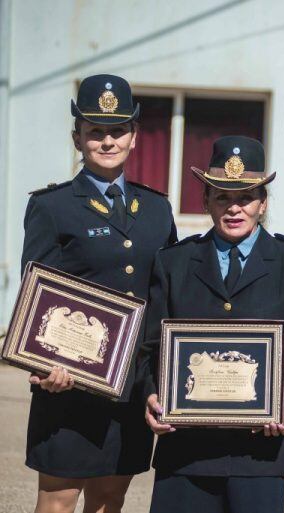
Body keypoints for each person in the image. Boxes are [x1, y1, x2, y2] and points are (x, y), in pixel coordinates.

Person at [20, 74, 177, 513]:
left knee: (110, 498)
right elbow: (37, 292)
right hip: (69, 382)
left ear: (133, 137)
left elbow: (164, 291)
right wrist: (44, 361)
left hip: (130, 383)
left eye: (117, 130)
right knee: (58, 498)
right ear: (78, 138)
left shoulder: (157, 208)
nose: (107, 141)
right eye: (95, 131)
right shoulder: (51, 207)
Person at [140, 136, 284, 513]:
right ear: (205, 200)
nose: (234, 208)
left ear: (263, 203)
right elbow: (150, 344)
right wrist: (152, 395)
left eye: (246, 197)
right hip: (185, 449)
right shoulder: (173, 263)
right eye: (222, 197)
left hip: (259, 451)